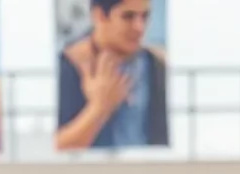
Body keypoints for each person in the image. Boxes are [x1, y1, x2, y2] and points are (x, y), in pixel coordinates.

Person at [55, 0, 168, 150]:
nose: (139, 27)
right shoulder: (69, 66)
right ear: (99, 15)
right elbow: (56, 148)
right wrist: (99, 108)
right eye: (128, 16)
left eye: (145, 17)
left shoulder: (155, 66)